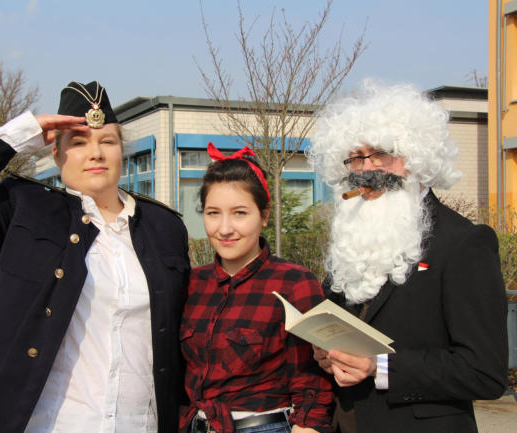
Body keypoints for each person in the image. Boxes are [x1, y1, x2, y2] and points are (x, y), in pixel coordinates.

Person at [0, 81, 190, 433]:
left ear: (122, 151)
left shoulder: (163, 226)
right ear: (56, 154)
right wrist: (22, 133)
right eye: (78, 142)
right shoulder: (28, 209)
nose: (96, 153)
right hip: (50, 423)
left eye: (107, 141)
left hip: (140, 423)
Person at [306, 80, 508, 433]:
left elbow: (484, 371)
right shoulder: (351, 240)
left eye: (380, 154)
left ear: (415, 156)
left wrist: (379, 366)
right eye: (355, 157)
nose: (365, 169)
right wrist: (324, 351)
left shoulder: (464, 242)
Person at [179, 143, 333, 433]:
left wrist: (308, 426)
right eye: (213, 213)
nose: (225, 228)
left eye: (239, 213)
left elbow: (311, 378)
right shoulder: (192, 284)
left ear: (264, 215)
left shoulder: (294, 283)